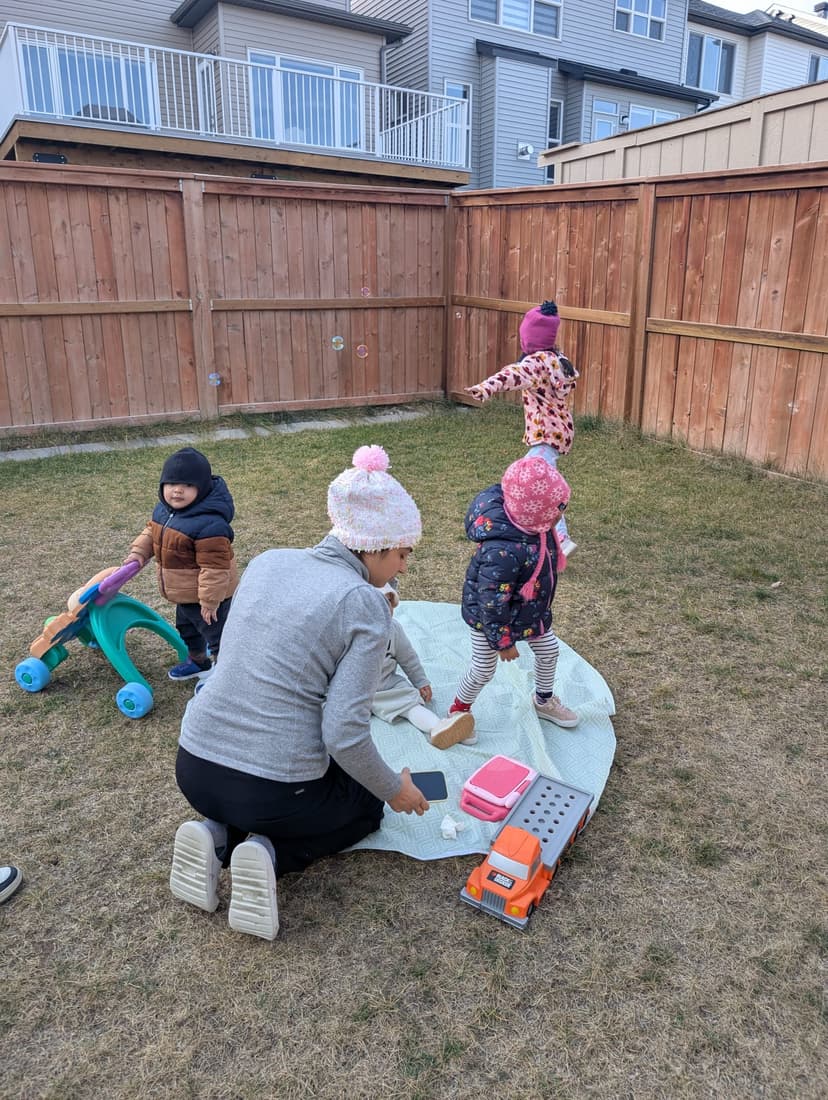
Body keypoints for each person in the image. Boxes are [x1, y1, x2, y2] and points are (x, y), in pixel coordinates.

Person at [170, 444, 430, 941]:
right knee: (366, 807)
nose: (402, 567)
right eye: (402, 554)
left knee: (271, 792)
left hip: (194, 766)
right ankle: (269, 855)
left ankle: (215, 833)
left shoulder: (268, 561)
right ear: (374, 546)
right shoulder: (364, 603)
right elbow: (344, 733)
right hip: (273, 791)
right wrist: (394, 790)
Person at [448, 454, 579, 730]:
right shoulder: (502, 551)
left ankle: (543, 701)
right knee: (484, 669)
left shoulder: (535, 526)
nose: (560, 515)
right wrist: (503, 642)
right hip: (489, 621)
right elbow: (491, 602)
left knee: (549, 650)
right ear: (534, 512)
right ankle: (459, 710)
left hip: (529, 611)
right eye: (557, 509)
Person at [465, 299, 579, 555]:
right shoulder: (557, 360)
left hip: (545, 436)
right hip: (558, 434)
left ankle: (559, 538)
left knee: (539, 486)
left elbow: (512, 375)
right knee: (539, 482)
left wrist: (486, 387)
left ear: (529, 337)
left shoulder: (535, 363)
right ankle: (547, 531)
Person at [124, 447, 239, 681]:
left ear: (201, 488)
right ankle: (199, 662)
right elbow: (151, 532)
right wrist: (139, 553)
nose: (177, 490)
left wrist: (210, 601)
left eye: (187, 484)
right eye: (171, 483)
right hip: (185, 593)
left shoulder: (210, 525)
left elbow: (215, 568)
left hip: (210, 597)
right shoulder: (164, 512)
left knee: (218, 637)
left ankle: (226, 677)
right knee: (187, 629)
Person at [373, 584, 476, 749]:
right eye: (376, 605)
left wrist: (420, 681)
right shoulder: (345, 630)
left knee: (410, 701)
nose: (384, 611)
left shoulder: (394, 630)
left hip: (385, 685)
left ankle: (439, 727)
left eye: (388, 604)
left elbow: (408, 658)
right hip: (348, 691)